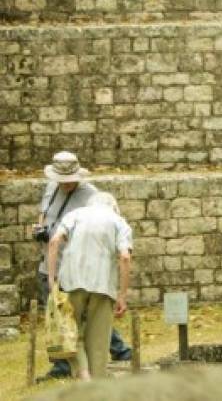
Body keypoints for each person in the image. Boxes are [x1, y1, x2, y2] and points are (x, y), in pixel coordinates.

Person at [33, 152, 131, 380]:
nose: (66, 184)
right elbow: (44, 216)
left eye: (70, 180)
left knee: (81, 319)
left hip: (72, 265)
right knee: (69, 319)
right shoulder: (51, 189)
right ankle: (79, 368)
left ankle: (89, 365)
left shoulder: (91, 197)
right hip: (53, 263)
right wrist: (39, 230)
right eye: (62, 180)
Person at [47, 191, 133, 380]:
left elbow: (54, 242)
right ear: (113, 206)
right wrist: (122, 295)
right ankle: (96, 387)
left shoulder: (74, 215)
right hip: (103, 284)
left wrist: (51, 278)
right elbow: (125, 257)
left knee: (70, 331)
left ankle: (83, 374)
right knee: (100, 341)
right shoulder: (119, 222)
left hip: (71, 281)